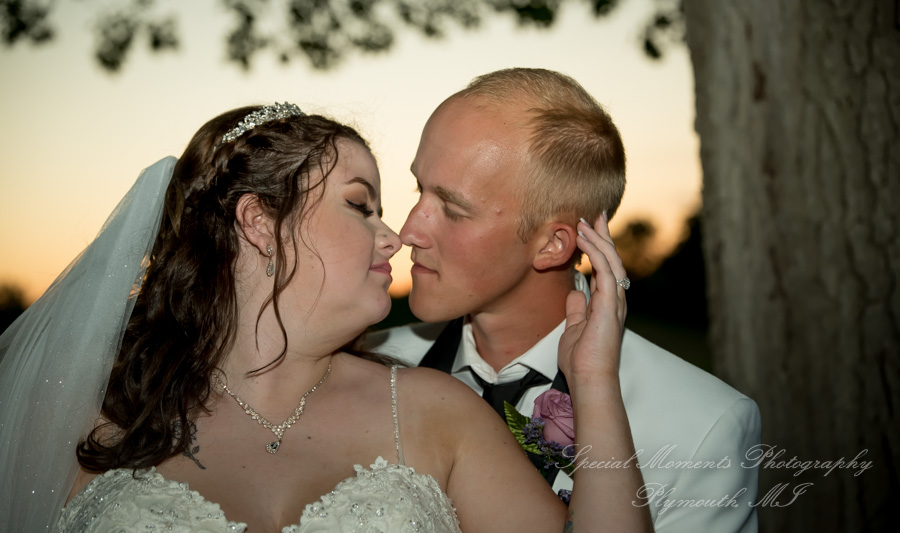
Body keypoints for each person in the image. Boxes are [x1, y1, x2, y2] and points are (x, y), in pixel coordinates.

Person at [0, 102, 652, 532]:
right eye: (360, 204)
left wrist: (592, 380)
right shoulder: (94, 416)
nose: (394, 236)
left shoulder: (435, 411)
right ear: (259, 221)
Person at [365, 68, 763, 533]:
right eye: (419, 189)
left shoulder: (701, 427)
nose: (408, 231)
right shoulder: (364, 367)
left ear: (553, 245)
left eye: (453, 210)